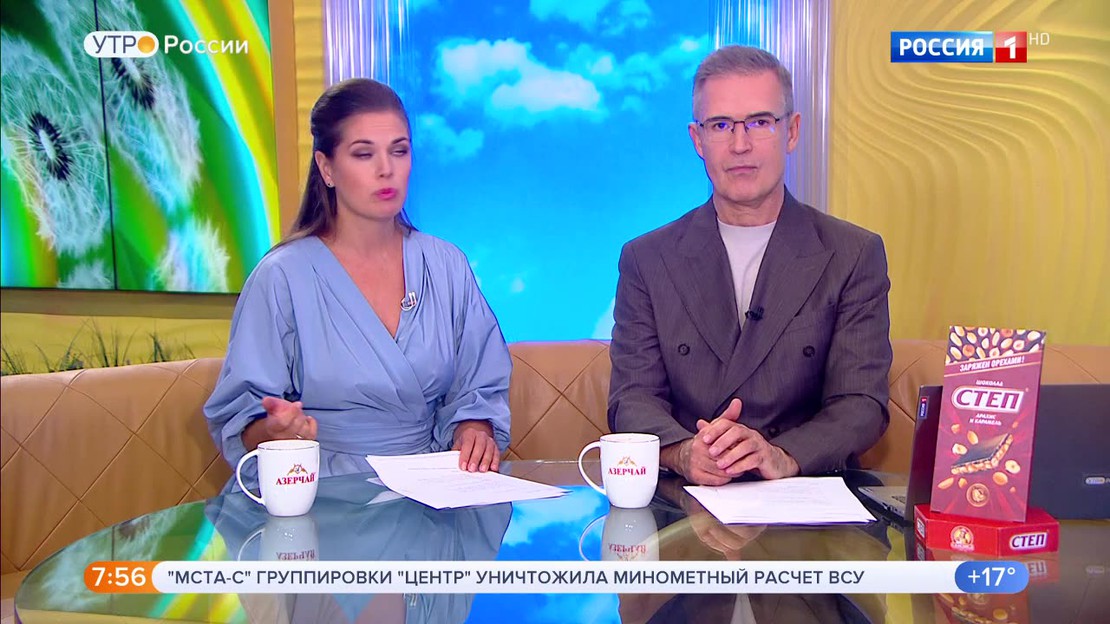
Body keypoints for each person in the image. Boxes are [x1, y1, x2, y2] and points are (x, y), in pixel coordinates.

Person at [205, 78, 511, 492]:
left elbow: (479, 384)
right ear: (327, 168)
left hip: (434, 490)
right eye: (364, 154)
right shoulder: (281, 276)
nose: (386, 169)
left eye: (399, 151)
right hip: (322, 491)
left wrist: (475, 427)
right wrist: (275, 432)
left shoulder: (445, 265)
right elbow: (243, 418)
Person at [608, 45, 892, 486]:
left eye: (760, 122)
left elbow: (861, 403)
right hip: (687, 496)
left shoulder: (853, 254)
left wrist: (783, 456)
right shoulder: (646, 259)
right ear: (698, 140)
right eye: (721, 125)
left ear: (791, 132)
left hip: (802, 495)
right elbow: (631, 397)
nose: (740, 145)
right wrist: (683, 453)